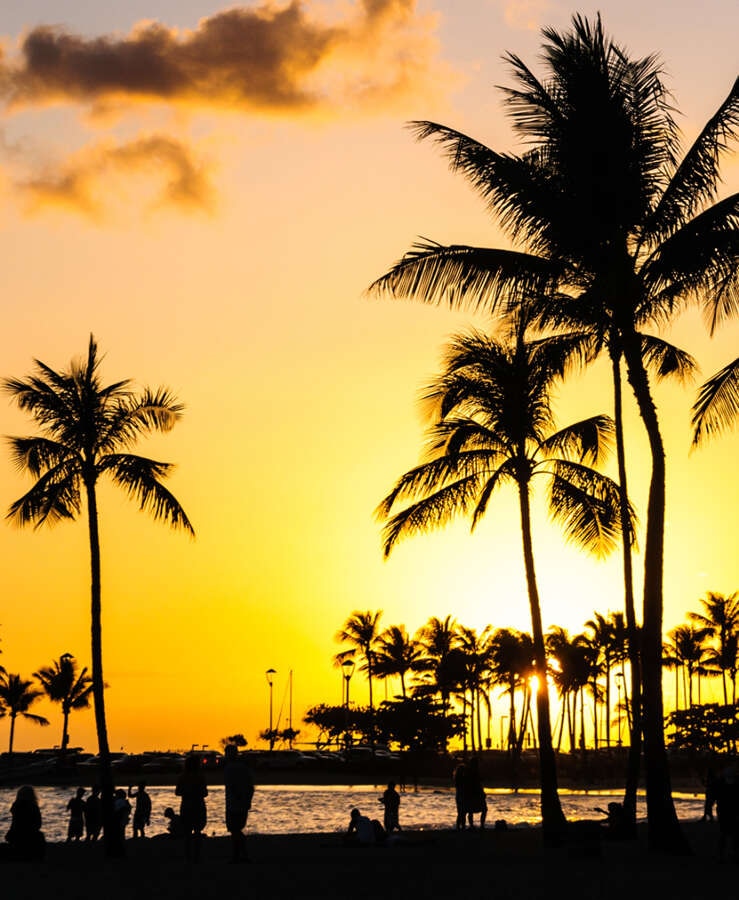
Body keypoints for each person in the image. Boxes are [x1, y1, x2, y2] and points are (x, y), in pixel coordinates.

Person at [223, 743, 255, 863]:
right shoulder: (244, 768)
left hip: (233, 803)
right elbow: (251, 786)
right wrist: (248, 800)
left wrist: (238, 797)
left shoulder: (229, 768)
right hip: (243, 803)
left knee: (234, 830)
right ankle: (240, 855)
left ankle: (240, 855)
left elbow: (231, 787)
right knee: (237, 829)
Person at [175, 753, 208, 860]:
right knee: (198, 831)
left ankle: (188, 855)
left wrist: (187, 792)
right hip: (198, 805)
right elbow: (205, 793)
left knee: (187, 833)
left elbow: (177, 792)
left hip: (186, 806)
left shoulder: (183, 777)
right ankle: (197, 855)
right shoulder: (200, 777)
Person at [4, 785, 45, 861]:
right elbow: (38, 824)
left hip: (16, 833)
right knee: (40, 836)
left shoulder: (15, 806)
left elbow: (14, 823)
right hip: (31, 834)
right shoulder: (34, 807)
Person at [463, 756, 487, 830]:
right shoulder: (474, 772)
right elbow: (479, 783)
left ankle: (472, 825)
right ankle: (481, 825)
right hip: (476, 793)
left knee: (471, 810)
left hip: (472, 793)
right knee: (483, 809)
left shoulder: (468, 771)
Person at [453, 761, 466, 830]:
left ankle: (459, 826)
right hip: (461, 796)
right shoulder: (461, 778)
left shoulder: (457, 778)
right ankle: (462, 826)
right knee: (462, 813)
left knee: (460, 812)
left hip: (458, 796)